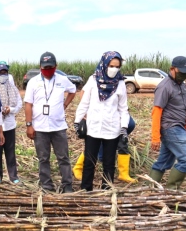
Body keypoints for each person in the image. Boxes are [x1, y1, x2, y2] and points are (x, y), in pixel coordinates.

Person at [74, 51, 130, 191]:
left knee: (109, 163)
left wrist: (124, 128)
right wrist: (77, 121)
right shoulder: (93, 80)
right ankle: (86, 190)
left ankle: (107, 191)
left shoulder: (121, 83)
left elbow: (123, 109)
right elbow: (84, 103)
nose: (114, 69)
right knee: (89, 162)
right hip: (93, 128)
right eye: (111, 65)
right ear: (104, 64)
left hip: (112, 129)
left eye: (117, 66)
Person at [24, 52, 76, 193]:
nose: (48, 70)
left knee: (63, 157)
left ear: (56, 66)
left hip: (58, 126)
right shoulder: (33, 82)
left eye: (50, 67)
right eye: (45, 68)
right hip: (40, 127)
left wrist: (64, 105)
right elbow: (28, 104)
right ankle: (47, 186)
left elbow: (73, 90)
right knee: (43, 158)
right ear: (40, 67)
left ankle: (67, 185)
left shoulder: (62, 79)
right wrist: (29, 125)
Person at [149, 56, 186, 189]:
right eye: (181, 72)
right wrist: (155, 137)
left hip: (180, 127)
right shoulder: (164, 87)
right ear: (172, 69)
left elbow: (184, 109)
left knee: (164, 162)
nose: (184, 75)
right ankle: (171, 191)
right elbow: (156, 112)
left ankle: (149, 189)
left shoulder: (183, 86)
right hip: (171, 128)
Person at [0, 62, 22, 184]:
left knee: (10, 152)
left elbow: (19, 104)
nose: (2, 75)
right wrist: (1, 110)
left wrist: (11, 109)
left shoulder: (12, 87)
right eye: (0, 73)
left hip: (9, 125)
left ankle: (13, 176)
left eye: (5, 73)